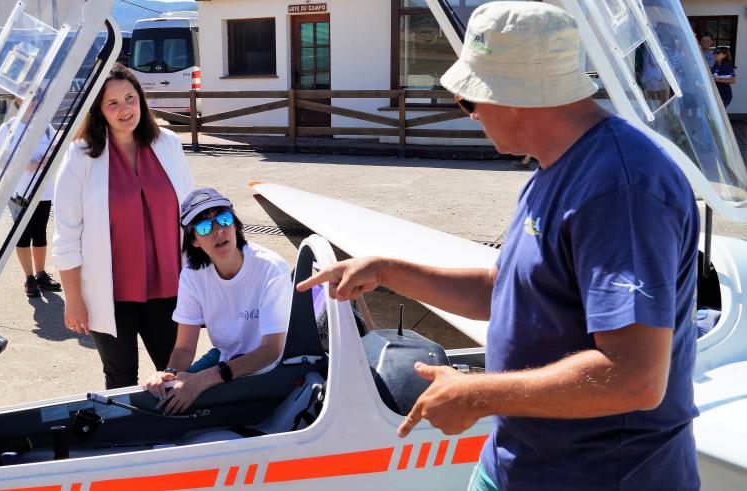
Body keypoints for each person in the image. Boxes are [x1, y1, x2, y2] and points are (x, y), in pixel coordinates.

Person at [299, 3, 700, 489]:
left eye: (469, 101)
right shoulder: (555, 167)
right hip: (520, 461)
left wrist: (478, 394)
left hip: (598, 476)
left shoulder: (621, 189)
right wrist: (386, 271)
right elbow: (505, 290)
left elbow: (634, 376)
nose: (470, 117)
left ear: (517, 96)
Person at [53, 64, 194, 389]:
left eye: (130, 98)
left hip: (169, 288)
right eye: (112, 103)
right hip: (109, 291)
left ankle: (180, 437)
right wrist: (73, 299)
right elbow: (67, 235)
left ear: (141, 100)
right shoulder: (81, 157)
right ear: (99, 111)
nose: (125, 109)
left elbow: (189, 216)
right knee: (120, 377)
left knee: (175, 375)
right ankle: (121, 439)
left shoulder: (169, 144)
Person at [142, 189, 292, 414]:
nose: (218, 231)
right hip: (226, 357)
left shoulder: (271, 268)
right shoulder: (192, 276)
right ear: (193, 240)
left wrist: (204, 379)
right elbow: (184, 347)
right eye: (204, 227)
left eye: (223, 219)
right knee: (164, 399)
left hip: (271, 367)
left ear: (235, 224)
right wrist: (169, 374)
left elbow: (271, 351)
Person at [0, 95, 63, 297]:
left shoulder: (46, 128)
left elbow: (57, 150)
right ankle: (29, 278)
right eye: (31, 98)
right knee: (22, 235)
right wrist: (23, 165)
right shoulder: (8, 129)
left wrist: (47, 159)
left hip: (43, 190)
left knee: (40, 233)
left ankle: (41, 275)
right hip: (18, 192)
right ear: (18, 100)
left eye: (38, 98)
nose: (35, 102)